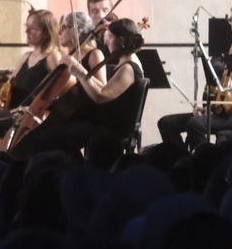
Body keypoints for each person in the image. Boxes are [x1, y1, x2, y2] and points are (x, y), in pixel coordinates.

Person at [13, 18, 146, 158]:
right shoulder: (124, 64)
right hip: (100, 123)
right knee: (53, 132)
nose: (106, 42)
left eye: (110, 37)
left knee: (50, 137)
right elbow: (104, 88)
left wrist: (79, 71)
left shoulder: (129, 68)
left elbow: (101, 96)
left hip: (107, 128)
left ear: (122, 41)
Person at [156, 0, 232, 151]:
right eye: (231, 19)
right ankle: (181, 158)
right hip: (219, 111)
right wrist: (207, 106)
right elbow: (215, 83)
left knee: (195, 124)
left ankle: (206, 160)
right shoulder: (227, 48)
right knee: (166, 123)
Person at [0, 9, 64, 155]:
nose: (27, 32)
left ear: (46, 32)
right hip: (13, 111)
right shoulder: (26, 57)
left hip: (27, 115)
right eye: (26, 27)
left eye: (32, 29)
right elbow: (9, 85)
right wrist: (0, 104)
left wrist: (36, 108)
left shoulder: (53, 57)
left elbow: (62, 88)